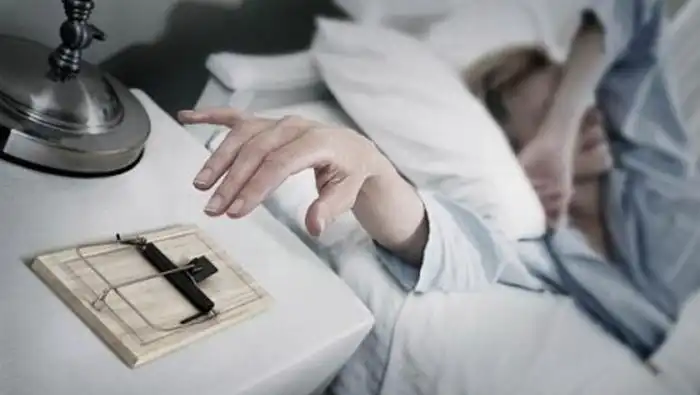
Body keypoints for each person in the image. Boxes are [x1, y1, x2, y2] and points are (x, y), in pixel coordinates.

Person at [178, 0, 696, 364]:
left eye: (579, 104)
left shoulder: (656, 179)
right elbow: (440, 240)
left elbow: (636, 11)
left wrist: (557, 127)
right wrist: (369, 165)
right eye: (544, 113)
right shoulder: (534, 241)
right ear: (508, 147)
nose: (591, 117)